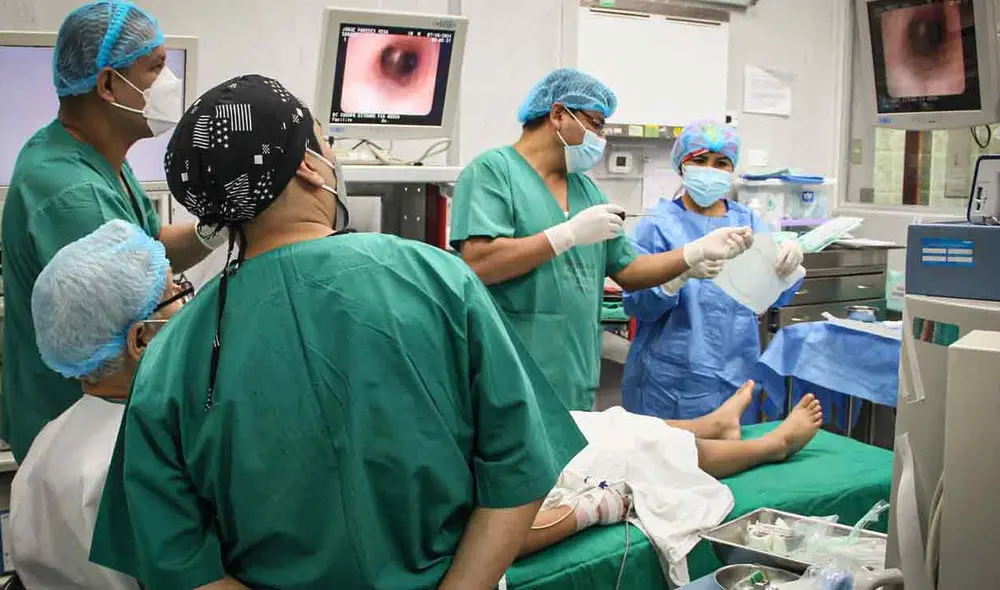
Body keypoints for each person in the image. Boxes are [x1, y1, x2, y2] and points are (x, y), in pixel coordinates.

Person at [89, 75, 585, 590]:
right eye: (325, 143)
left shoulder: (172, 355)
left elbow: (182, 565)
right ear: (308, 164)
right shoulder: (437, 279)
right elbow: (520, 464)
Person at [450, 68, 754, 413]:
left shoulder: (585, 189)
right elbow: (478, 263)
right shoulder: (492, 171)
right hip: (508, 367)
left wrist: (691, 256)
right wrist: (565, 235)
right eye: (595, 123)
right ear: (559, 114)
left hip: (574, 372)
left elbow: (629, 269)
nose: (601, 136)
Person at [1, 0, 224, 462]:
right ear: (107, 83)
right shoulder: (74, 196)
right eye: (156, 68)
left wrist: (220, 223)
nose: (170, 84)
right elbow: (137, 328)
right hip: (81, 432)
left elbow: (150, 248)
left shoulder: (86, 150)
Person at [10, 220, 191, 590]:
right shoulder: (143, 462)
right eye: (177, 294)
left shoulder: (46, 442)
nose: (190, 303)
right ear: (140, 339)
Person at [519, 381, 823, 569]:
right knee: (641, 451)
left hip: (502, 454)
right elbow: (507, 536)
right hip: (534, 486)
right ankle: (773, 446)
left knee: (597, 425)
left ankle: (710, 425)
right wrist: (596, 507)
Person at [622, 120, 805, 420]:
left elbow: (770, 298)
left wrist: (789, 268)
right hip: (668, 379)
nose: (710, 169)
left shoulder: (749, 223)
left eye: (721, 163)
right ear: (682, 166)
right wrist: (677, 278)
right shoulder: (657, 226)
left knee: (730, 459)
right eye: (700, 160)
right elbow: (638, 305)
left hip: (735, 371)